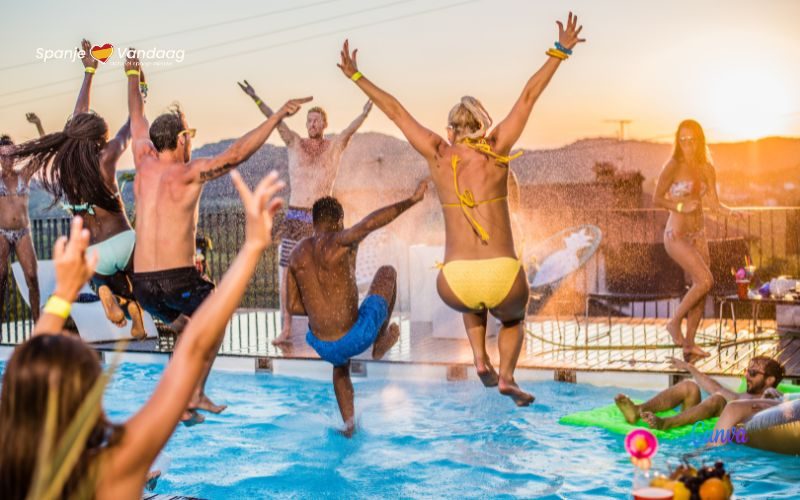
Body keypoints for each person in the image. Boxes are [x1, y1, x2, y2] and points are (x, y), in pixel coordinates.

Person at [335, 12, 585, 406]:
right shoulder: (498, 150)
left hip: (454, 283)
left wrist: (355, 76)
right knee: (514, 317)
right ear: (483, 127)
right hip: (501, 276)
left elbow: (396, 112)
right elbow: (528, 97)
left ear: (450, 130)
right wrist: (560, 51)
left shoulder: (438, 153)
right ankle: (505, 375)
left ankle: (479, 359)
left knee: (474, 300)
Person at [0, 171, 285, 499]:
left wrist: (64, 293)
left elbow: (27, 372)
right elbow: (192, 348)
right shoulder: (114, 467)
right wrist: (252, 248)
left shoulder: (10, 463)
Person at [126, 52, 310, 423]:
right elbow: (237, 153)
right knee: (218, 313)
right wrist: (275, 118)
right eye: (189, 135)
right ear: (180, 139)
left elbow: (135, 115)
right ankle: (192, 393)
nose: (190, 142)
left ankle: (177, 398)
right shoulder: (190, 172)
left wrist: (133, 72)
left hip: (142, 286)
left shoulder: (142, 161)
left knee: (187, 328)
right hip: (178, 282)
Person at [12, 39, 147, 338]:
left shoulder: (66, 166)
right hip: (123, 239)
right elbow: (133, 125)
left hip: (94, 252)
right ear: (101, 137)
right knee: (143, 279)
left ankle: (106, 293)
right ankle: (134, 305)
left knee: (100, 276)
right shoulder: (108, 157)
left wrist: (89, 70)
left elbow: (75, 121)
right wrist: (136, 82)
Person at [237, 80, 372, 345]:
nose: (311, 124)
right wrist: (255, 98)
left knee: (327, 271)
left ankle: (332, 324)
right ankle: (287, 329)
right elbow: (275, 121)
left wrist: (365, 113)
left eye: (316, 120)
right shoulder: (294, 143)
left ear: (324, 124)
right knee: (287, 271)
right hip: (296, 217)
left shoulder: (334, 147)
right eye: (309, 120)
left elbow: (349, 131)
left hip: (322, 221)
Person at [287, 181, 427, 435]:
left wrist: (322, 309)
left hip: (321, 345)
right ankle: (380, 340)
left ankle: (349, 426)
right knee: (387, 273)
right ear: (339, 221)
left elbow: (293, 306)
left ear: (313, 223)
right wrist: (412, 200)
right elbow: (372, 222)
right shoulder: (341, 241)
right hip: (356, 336)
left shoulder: (296, 255)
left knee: (340, 366)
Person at [653, 119, 740, 362]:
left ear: (699, 141)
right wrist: (680, 204)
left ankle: (689, 344)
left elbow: (714, 204)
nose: (687, 144)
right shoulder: (672, 166)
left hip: (698, 234)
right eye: (683, 139)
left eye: (692, 139)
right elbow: (657, 199)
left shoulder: (706, 168)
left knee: (700, 289)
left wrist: (732, 212)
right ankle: (674, 322)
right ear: (677, 141)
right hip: (676, 235)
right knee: (705, 280)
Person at [614, 355, 784, 430]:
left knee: (717, 400)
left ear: (770, 380)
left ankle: (665, 423)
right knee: (689, 386)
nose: (747, 375)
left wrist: (770, 394)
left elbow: (777, 404)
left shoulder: (768, 397)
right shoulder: (743, 396)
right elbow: (715, 387)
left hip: (731, 431)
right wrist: (688, 367)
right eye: (747, 371)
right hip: (698, 418)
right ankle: (638, 410)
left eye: (753, 373)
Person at [0, 133, 40, 324]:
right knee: (1, 278)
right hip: (2, 233)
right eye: (3, 156)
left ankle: (37, 324)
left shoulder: (24, 174)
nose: (7, 160)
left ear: (15, 156)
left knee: (32, 277)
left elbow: (41, 155)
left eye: (10, 155)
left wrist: (38, 126)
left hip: (23, 232)